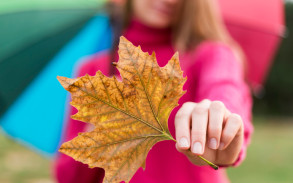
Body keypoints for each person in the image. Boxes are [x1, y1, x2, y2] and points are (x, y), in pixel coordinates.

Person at [54, 0, 254, 182]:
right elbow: (69, 178)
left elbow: (224, 89)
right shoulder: (94, 71)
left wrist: (220, 121)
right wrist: (96, 131)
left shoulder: (211, 55)